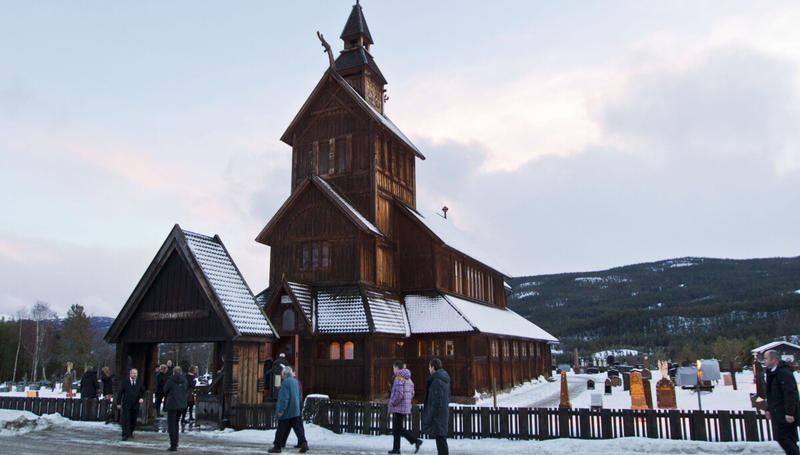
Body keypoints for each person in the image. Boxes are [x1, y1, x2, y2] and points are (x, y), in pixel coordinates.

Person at [765, 350, 800, 455]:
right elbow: (770, 394)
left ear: (774, 359)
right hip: (777, 411)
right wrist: (768, 409)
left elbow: (791, 394)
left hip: (784, 413)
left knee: (783, 437)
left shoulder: (784, 373)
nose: (764, 361)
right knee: (789, 439)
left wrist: (790, 413)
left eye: (766, 358)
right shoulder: (772, 373)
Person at [268, 366, 308, 453]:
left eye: (282, 374)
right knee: (298, 428)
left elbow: (284, 398)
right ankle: (303, 443)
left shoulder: (285, 383)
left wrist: (280, 411)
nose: (282, 376)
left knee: (281, 429)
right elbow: (299, 395)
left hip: (287, 411)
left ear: (285, 374)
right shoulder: (295, 381)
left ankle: (277, 446)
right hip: (295, 410)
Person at [388, 360, 423, 454]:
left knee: (398, 428)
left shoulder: (399, 378)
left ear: (397, 368)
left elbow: (399, 394)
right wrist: (407, 401)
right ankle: (396, 448)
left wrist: (393, 403)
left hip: (399, 407)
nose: (393, 370)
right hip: (405, 406)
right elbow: (412, 392)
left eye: (393, 368)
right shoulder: (408, 378)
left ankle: (416, 441)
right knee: (396, 428)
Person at [422, 358, 450, 455]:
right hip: (442, 413)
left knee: (441, 440)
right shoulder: (443, 378)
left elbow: (436, 401)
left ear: (433, 367)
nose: (429, 369)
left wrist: (430, 415)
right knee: (441, 439)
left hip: (438, 415)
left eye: (429, 367)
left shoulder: (437, 381)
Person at [164, 366, 189, 452]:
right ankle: (176, 442)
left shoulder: (170, 380)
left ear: (173, 372)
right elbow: (186, 389)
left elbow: (165, 390)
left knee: (171, 425)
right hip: (181, 404)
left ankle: (173, 444)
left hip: (172, 404)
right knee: (176, 424)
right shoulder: (185, 381)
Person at [117, 368, 145, 441]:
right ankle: (125, 434)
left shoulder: (139, 382)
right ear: (130, 374)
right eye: (133, 373)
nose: (134, 375)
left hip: (135, 404)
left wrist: (142, 398)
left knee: (133, 419)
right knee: (126, 419)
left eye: (135, 373)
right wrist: (118, 403)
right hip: (126, 403)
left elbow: (143, 391)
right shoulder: (125, 382)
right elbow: (120, 393)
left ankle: (131, 432)